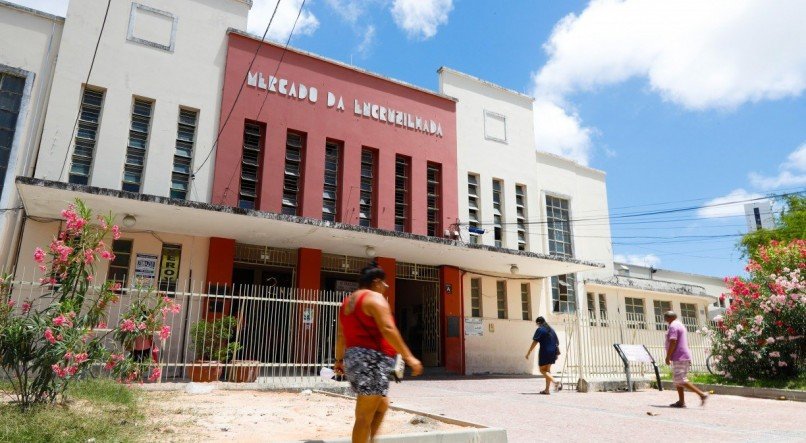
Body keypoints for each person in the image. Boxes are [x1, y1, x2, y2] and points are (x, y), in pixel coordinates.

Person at [334, 262, 423, 443]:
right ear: (376, 282)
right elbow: (388, 329)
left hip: (354, 358)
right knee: (363, 417)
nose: (385, 287)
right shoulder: (374, 298)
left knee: (381, 405)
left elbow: (341, 334)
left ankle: (372, 440)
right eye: (384, 283)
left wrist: (339, 359)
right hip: (370, 361)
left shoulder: (347, 303)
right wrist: (409, 357)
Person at [664, 311, 708, 407]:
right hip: (682, 355)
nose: (665, 320)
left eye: (665, 317)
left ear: (668, 318)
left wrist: (668, 356)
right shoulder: (680, 325)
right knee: (677, 379)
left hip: (679, 355)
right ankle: (681, 401)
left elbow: (673, 341)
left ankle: (702, 394)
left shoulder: (673, 326)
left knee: (680, 379)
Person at [525, 316, 561, 394]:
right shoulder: (551, 330)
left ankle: (555, 381)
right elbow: (557, 342)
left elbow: (535, 342)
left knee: (542, 370)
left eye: (537, 324)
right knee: (547, 371)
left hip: (545, 351)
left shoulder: (540, 329)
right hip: (553, 352)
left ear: (538, 323)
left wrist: (529, 352)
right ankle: (547, 390)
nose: (537, 326)